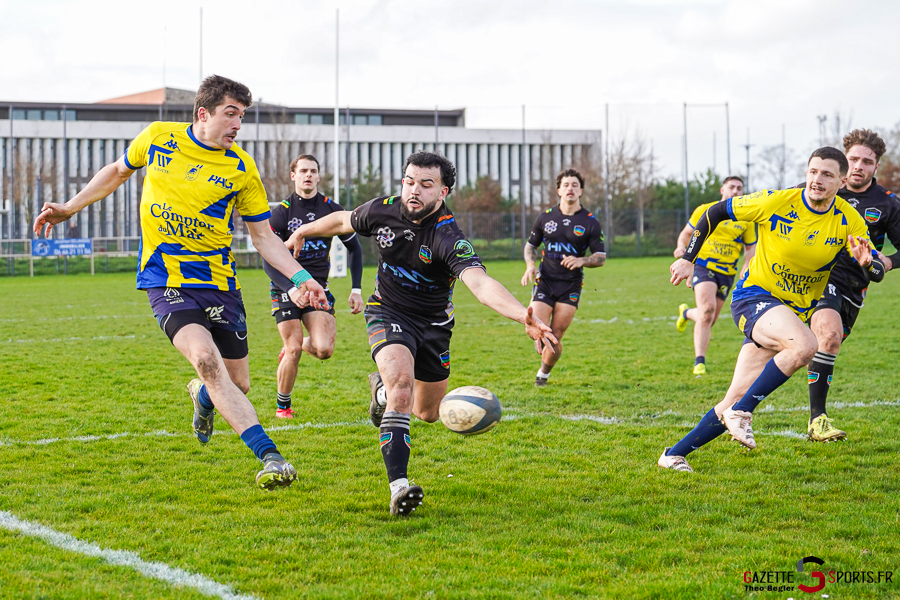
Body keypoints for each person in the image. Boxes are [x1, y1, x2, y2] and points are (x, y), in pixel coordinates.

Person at [33, 75, 329, 490]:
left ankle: (203, 397)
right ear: (203, 113)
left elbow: (263, 237)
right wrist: (70, 206)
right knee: (207, 361)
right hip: (166, 279)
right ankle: (271, 457)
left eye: (242, 116)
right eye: (230, 113)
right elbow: (118, 172)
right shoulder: (157, 138)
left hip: (220, 283)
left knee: (236, 383)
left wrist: (301, 277)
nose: (237, 124)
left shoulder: (242, 167)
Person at [286, 151, 556, 515]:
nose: (414, 190)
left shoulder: (448, 236)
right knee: (402, 386)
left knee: (427, 412)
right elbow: (341, 221)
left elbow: (479, 283)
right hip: (387, 311)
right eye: (409, 181)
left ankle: (380, 392)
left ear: (442, 192)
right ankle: (399, 486)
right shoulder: (383, 210)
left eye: (426, 185)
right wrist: (304, 229)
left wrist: (521, 315)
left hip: (434, 326)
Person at [658, 147, 881, 472]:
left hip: (791, 312)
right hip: (754, 297)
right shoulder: (778, 200)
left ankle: (673, 454)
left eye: (827, 174)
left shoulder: (848, 219)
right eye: (813, 171)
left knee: (733, 396)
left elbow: (875, 268)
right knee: (806, 345)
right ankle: (743, 413)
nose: (817, 180)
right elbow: (715, 212)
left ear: (842, 180)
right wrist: (688, 258)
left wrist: (867, 262)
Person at [804, 130, 900, 441]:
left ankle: (739, 404)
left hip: (855, 287)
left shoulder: (887, 204)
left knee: (826, 345)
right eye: (853, 159)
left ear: (876, 166)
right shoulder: (825, 186)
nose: (858, 166)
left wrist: (887, 261)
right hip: (817, 278)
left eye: (866, 162)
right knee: (828, 335)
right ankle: (817, 420)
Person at [263, 154, 364, 419]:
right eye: (303, 170)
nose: (308, 175)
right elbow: (269, 259)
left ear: (319, 176)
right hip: (286, 288)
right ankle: (283, 406)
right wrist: (291, 288)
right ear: (293, 175)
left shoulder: (332, 209)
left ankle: (293, 346)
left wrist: (356, 289)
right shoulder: (282, 212)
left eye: (313, 171)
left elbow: (355, 248)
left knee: (324, 350)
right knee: (294, 347)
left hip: (318, 290)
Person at [520, 168, 605, 387]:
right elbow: (531, 246)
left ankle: (543, 373)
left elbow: (601, 257)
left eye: (575, 185)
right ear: (559, 190)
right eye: (566, 185)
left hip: (571, 285)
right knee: (537, 328)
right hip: (545, 281)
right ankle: (541, 345)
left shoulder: (590, 222)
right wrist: (530, 265)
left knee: (556, 335)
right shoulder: (545, 217)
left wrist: (582, 261)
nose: (570, 188)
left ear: (581, 191)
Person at [673, 176, 756, 376]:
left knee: (708, 318)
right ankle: (699, 362)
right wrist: (681, 248)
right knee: (707, 311)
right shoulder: (706, 210)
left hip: (727, 272)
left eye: (739, 188)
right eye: (732, 187)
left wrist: (746, 267)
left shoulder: (745, 218)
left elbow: (750, 248)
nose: (736, 191)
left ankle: (686, 313)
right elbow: (686, 233)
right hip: (702, 266)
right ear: (722, 190)